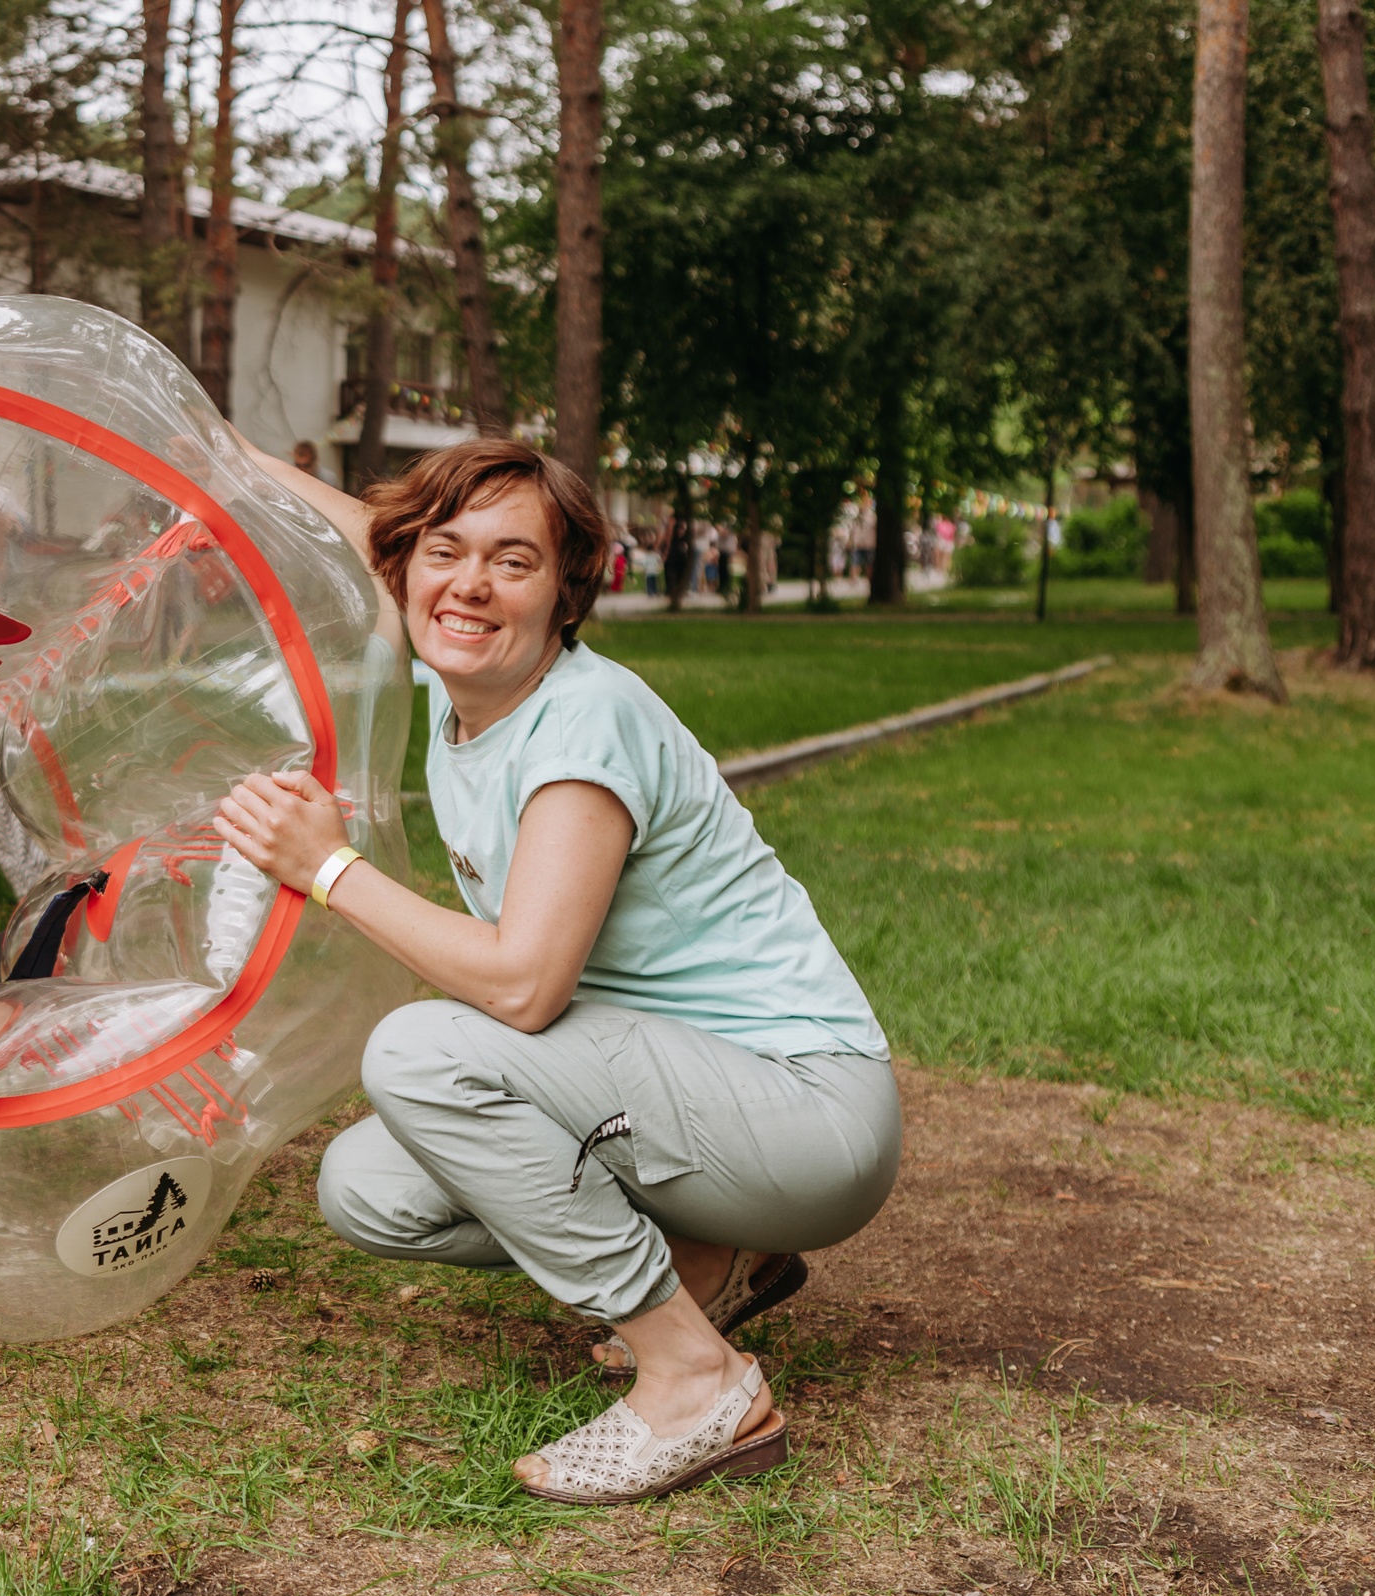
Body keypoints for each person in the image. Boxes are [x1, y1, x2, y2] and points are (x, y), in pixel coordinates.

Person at [215, 439, 899, 1506]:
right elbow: (360, 533)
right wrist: (204, 443)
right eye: (446, 553)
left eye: (514, 561)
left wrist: (328, 867)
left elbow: (524, 988)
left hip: (804, 1113)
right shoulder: (465, 666)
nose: (470, 585)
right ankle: (715, 1258)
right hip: (690, 1098)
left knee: (421, 1052)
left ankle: (695, 1380)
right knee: (368, 1189)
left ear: (565, 593)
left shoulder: (583, 719)